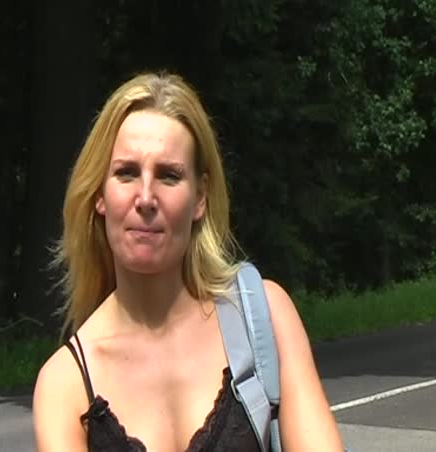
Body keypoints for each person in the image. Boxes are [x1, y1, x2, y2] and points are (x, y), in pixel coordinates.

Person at [32, 72, 344, 451]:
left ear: (200, 198)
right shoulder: (64, 387)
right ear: (99, 194)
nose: (146, 198)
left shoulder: (265, 317)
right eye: (127, 173)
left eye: (168, 176)